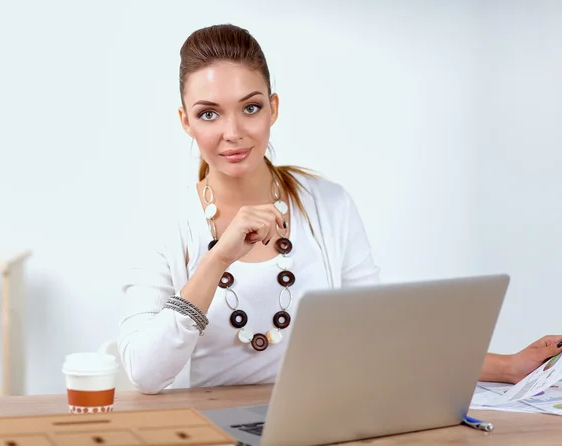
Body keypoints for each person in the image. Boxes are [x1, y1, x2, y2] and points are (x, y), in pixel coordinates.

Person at [117, 23, 562, 394]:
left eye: (250, 107)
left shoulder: (327, 206)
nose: (232, 132)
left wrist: (507, 367)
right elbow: (145, 373)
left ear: (272, 109)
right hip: (218, 429)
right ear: (185, 122)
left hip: (323, 420)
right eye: (209, 114)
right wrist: (217, 258)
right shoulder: (165, 225)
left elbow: (376, 336)